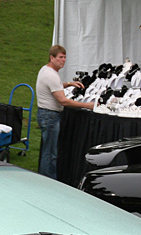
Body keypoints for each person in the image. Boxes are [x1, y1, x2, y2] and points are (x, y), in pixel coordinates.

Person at [35, 44, 96, 179]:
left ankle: (44, 178)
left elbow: (54, 86)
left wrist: (68, 84)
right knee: (50, 154)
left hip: (45, 114)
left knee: (48, 151)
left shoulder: (45, 70)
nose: (63, 60)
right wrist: (87, 106)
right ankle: (47, 181)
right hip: (50, 116)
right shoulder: (52, 75)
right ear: (52, 58)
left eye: (65, 58)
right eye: (61, 57)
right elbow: (63, 100)